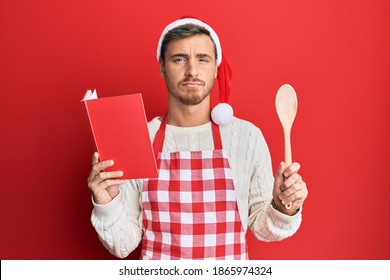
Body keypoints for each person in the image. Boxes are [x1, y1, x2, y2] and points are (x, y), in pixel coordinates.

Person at [87, 17, 308, 260]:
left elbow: (264, 229)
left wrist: (282, 205)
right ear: (162, 67)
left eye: (202, 59)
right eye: (179, 59)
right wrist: (106, 203)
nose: (192, 70)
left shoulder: (246, 137)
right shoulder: (139, 138)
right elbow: (123, 245)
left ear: (215, 68)